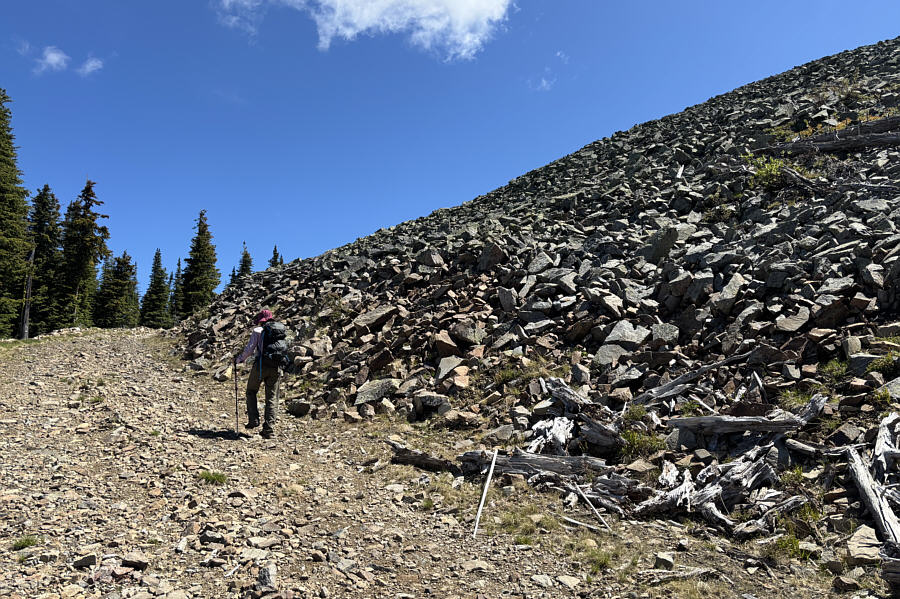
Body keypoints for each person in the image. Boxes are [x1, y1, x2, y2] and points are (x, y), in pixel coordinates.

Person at [235, 309, 282, 438]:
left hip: (260, 366)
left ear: (261, 320)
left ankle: (253, 419)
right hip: (276, 367)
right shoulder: (280, 330)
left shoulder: (257, 331)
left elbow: (250, 349)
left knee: (251, 390)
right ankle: (269, 429)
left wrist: (239, 359)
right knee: (272, 398)